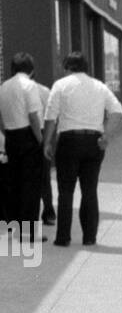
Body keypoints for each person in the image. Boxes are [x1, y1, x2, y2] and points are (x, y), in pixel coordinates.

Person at [42, 51, 122, 247]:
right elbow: (118, 112)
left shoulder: (60, 85)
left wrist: (47, 142)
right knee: (89, 190)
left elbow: (50, 117)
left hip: (69, 141)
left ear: (67, 67)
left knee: (65, 191)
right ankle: (89, 237)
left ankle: (63, 237)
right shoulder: (100, 86)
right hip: (93, 142)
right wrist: (106, 136)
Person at [0, 52, 44, 245]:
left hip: (10, 136)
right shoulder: (30, 85)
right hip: (28, 136)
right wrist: (41, 139)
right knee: (31, 186)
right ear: (31, 70)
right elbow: (33, 116)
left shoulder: (3, 87)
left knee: (13, 183)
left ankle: (14, 227)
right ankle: (30, 232)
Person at [34, 79, 56, 225]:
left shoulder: (6, 88)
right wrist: (46, 141)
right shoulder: (43, 90)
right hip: (41, 132)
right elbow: (50, 117)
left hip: (18, 134)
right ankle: (48, 213)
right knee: (44, 177)